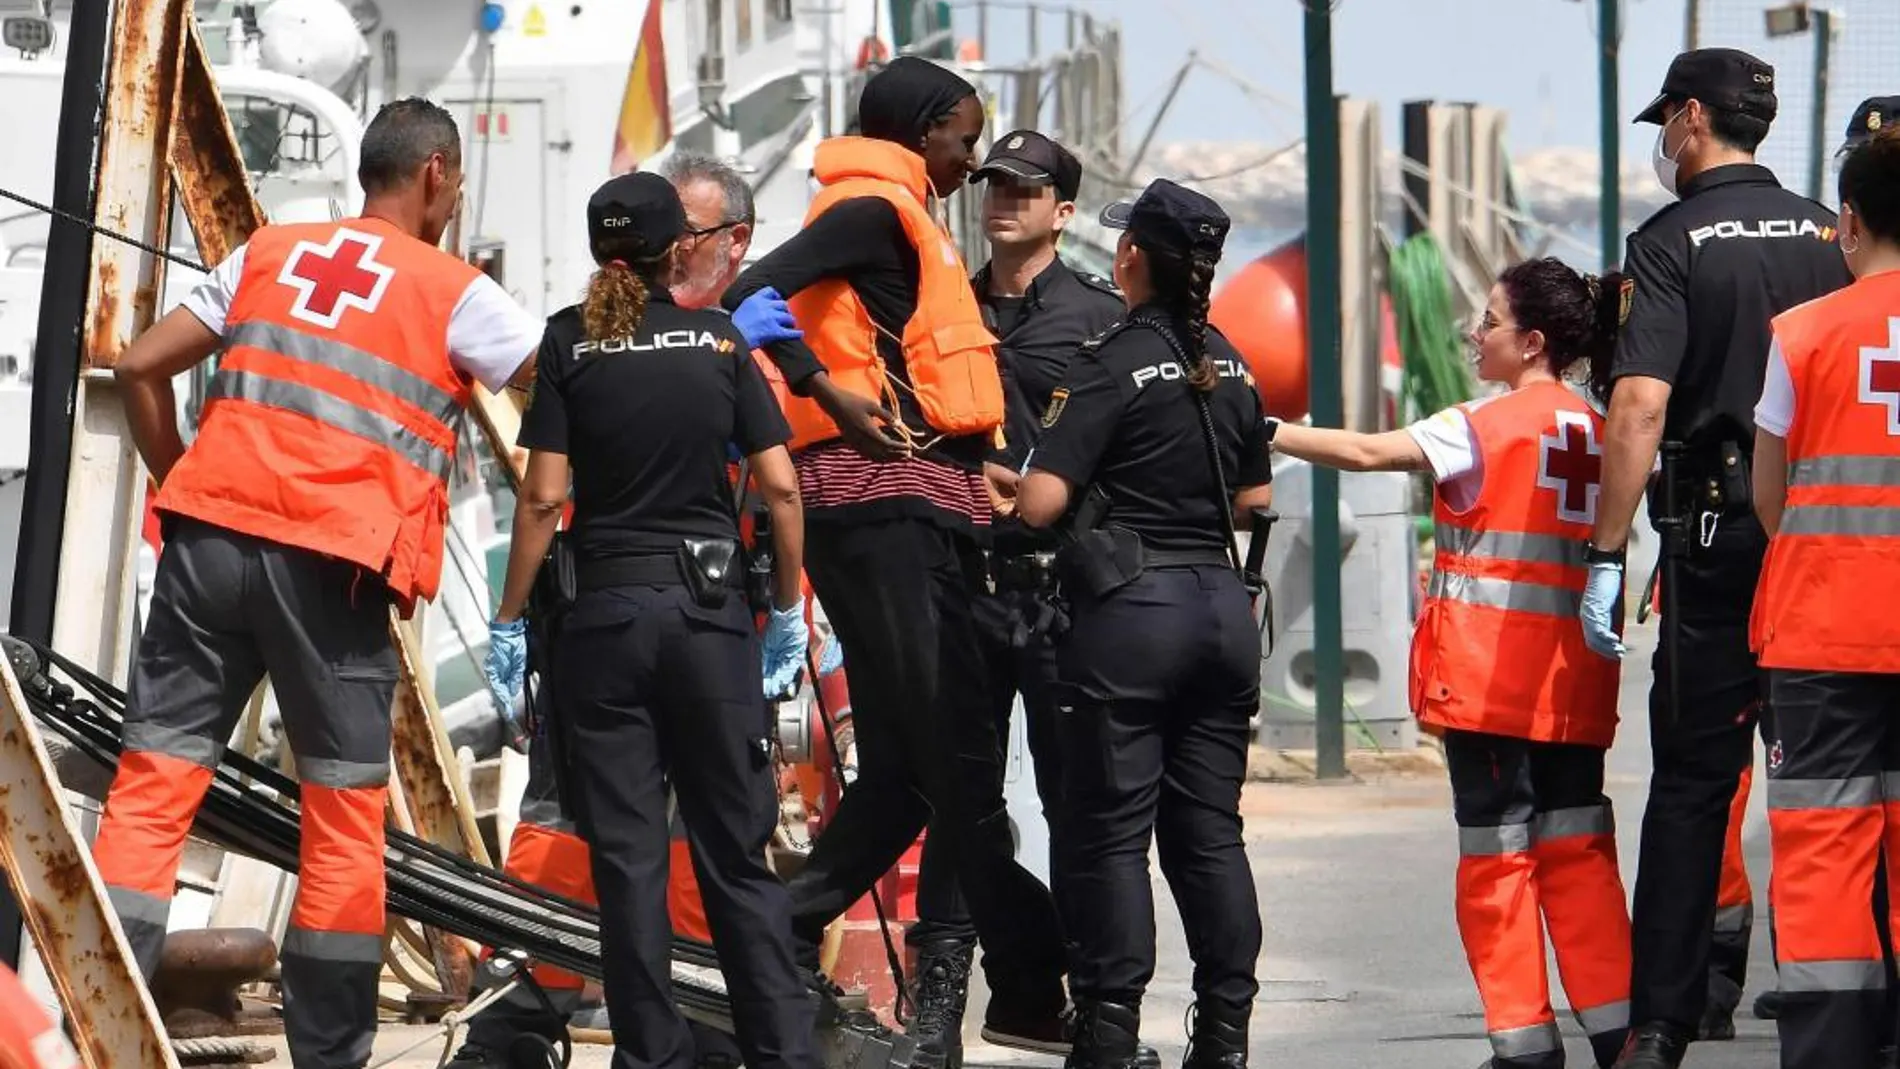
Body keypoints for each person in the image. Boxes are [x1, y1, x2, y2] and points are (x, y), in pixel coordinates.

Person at [91, 97, 541, 1069]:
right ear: (434, 175)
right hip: (332, 572)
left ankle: (100, 1023)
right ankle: (330, 1054)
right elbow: (559, 379)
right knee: (339, 819)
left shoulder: (267, 252)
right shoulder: (452, 289)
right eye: (456, 182)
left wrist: (184, 480)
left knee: (152, 793)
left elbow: (138, 364)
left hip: (208, 547)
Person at [720, 56, 1070, 1058]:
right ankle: (1031, 973)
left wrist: (981, 465)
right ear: (921, 133)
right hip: (885, 511)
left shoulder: (902, 217)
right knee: (950, 755)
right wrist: (822, 391)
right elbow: (750, 293)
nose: (971, 155)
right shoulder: (874, 210)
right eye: (962, 136)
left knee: (914, 775)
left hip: (919, 508)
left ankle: (785, 933)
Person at [483, 171, 813, 1069]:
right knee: (733, 853)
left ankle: (651, 1057)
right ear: (680, 250)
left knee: (626, 861)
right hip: (707, 624)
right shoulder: (716, 343)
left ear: (600, 253)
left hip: (603, 625)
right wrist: (786, 611)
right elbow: (781, 485)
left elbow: (544, 497)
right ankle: (784, 1052)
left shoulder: (569, 341)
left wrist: (511, 620)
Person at [1270, 258, 1633, 1069]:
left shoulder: (1482, 424)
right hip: (1573, 682)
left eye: (1490, 322)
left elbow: (1364, 452)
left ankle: (1526, 1045)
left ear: (1531, 342)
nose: (1475, 333)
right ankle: (1622, 1034)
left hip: (1492, 677)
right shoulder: (1601, 426)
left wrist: (1262, 428)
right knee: (1579, 851)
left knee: (1497, 862)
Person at [1574, 48, 1854, 1069]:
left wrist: (1605, 552)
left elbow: (1639, 405)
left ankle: (1662, 1021)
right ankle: (1846, 999)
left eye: (1665, 120)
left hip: (1714, 534)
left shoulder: (1669, 240)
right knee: (1831, 778)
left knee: (1694, 781)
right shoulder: (1835, 234)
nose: (1662, 138)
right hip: (1826, 540)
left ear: (1691, 118)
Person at [1012, 178, 1269, 1069]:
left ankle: (1112, 1031)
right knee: (1210, 834)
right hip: (1222, 614)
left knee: (1110, 831)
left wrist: (1011, 490)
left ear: (1132, 260)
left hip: (1132, 617)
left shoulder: (1111, 355)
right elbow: (1255, 497)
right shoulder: (1232, 361)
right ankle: (1226, 1035)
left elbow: (1043, 501)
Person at [902, 128, 1125, 1064]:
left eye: (1026, 189)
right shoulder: (933, 302)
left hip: (1054, 588)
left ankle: (1075, 997)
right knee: (956, 795)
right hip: (953, 581)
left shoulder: (1100, 316)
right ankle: (943, 1003)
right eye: (994, 183)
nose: (1002, 200)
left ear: (1062, 211)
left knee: (1079, 800)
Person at [1748, 123, 1900, 1069]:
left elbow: (1772, 492)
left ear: (1847, 222)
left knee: (1824, 851)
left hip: (1825, 638)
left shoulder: (1803, 332)